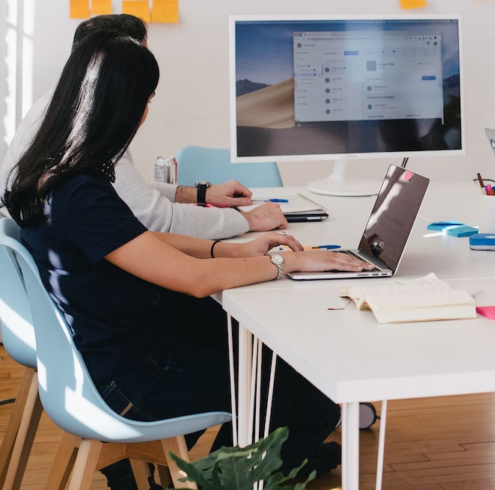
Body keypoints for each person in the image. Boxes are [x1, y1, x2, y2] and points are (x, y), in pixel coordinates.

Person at [1, 32, 371, 489]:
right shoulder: (80, 192)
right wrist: (284, 264)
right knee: (307, 397)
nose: (145, 112)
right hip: (131, 381)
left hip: (116, 354)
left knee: (258, 353)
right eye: (147, 99)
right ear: (122, 104)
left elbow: (141, 240)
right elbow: (194, 280)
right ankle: (218, 481)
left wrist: (229, 250)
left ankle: (207, 472)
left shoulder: (54, 174)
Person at [0, 14, 287, 239]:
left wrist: (201, 195)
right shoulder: (88, 128)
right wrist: (248, 220)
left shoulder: (57, 107)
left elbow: (121, 191)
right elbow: (157, 220)